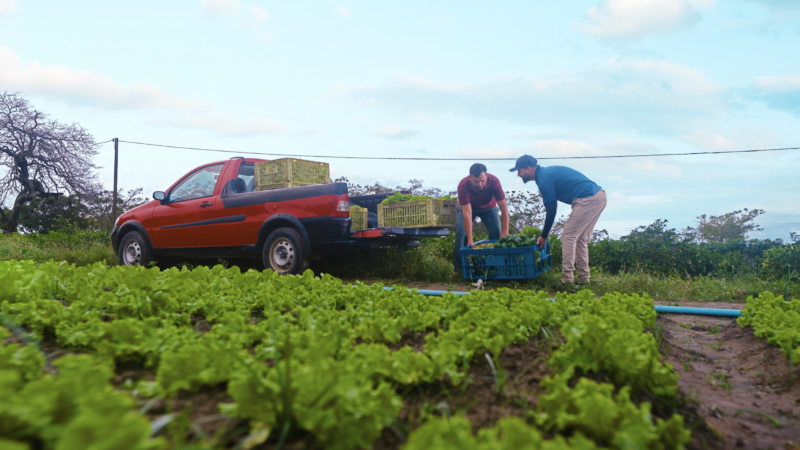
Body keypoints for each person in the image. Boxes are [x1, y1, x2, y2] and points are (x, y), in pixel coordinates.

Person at [509, 155, 606, 285]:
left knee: (568, 236)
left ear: (528, 169)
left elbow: (552, 210)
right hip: (598, 196)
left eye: (519, 170)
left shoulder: (544, 178)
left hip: (588, 198)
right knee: (580, 238)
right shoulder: (544, 175)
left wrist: (543, 235)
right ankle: (583, 279)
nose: (518, 174)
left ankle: (567, 280)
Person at [454, 163, 510, 273]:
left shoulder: (494, 181)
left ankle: (496, 268)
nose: (480, 184)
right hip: (469, 208)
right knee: (461, 231)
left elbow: (504, 208)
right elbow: (467, 214)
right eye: (476, 181)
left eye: (482, 181)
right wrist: (470, 239)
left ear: (487, 177)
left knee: (497, 233)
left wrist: (505, 231)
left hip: (489, 208)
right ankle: (459, 269)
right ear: (470, 177)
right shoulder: (463, 185)